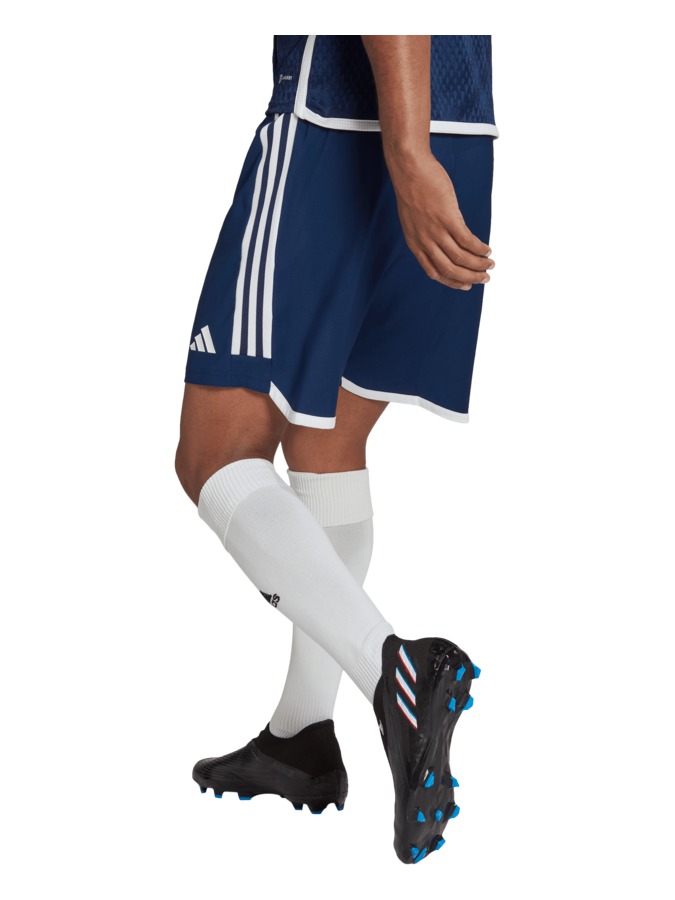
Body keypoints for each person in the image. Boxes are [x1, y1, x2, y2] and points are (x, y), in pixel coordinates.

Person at [175, 35, 497, 865]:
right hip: (458, 125)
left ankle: (398, 674)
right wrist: (420, 147)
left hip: (339, 124)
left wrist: (405, 151)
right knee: (328, 442)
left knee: (216, 456)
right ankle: (299, 737)